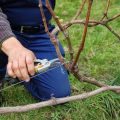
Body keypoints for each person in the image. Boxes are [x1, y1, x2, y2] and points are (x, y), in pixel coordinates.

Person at [0, 0, 71, 101]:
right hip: (6, 31)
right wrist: (13, 48)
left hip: (41, 33)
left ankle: (20, 72)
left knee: (59, 94)